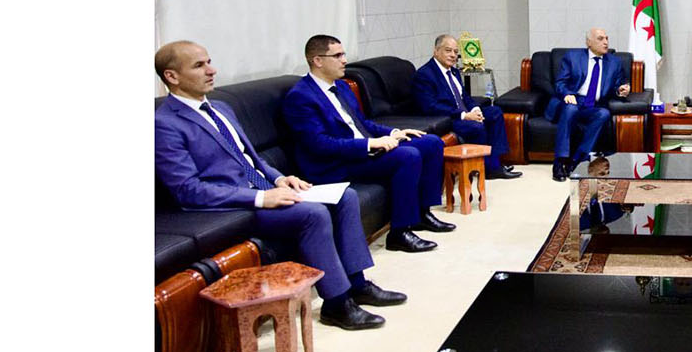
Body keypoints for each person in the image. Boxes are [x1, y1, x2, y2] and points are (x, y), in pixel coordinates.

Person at [154, 41, 406, 330]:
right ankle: (337, 304)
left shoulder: (220, 108)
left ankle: (357, 284)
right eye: (199, 66)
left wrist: (278, 178)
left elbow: (250, 157)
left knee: (345, 196)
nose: (212, 70)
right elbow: (188, 190)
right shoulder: (164, 123)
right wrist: (262, 198)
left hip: (263, 187)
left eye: (209, 62)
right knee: (312, 213)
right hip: (231, 205)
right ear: (172, 76)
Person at [280, 34, 453, 255]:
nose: (344, 60)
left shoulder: (341, 87)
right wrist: (370, 144)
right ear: (318, 60)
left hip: (360, 151)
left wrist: (395, 133)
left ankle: (422, 213)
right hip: (334, 164)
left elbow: (362, 123)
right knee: (407, 156)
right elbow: (319, 145)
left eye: (344, 54)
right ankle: (399, 233)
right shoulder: (300, 97)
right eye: (337, 56)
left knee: (430, 143)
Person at [412, 34, 521, 180]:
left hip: (463, 113)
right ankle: (488, 167)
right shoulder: (425, 74)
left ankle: (495, 163)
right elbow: (430, 106)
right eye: (448, 50)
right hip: (448, 118)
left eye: (455, 52)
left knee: (495, 112)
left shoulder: (454, 71)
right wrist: (464, 115)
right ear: (436, 51)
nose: (453, 55)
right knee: (476, 126)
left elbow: (465, 96)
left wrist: (475, 110)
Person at [546, 28, 631, 181]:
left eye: (606, 38)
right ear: (589, 42)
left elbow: (617, 86)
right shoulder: (573, 57)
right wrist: (567, 94)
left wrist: (621, 90)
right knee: (570, 109)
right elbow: (560, 83)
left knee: (604, 113)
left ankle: (577, 159)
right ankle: (559, 161)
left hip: (593, 106)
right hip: (573, 101)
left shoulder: (614, 62)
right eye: (600, 38)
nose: (605, 42)